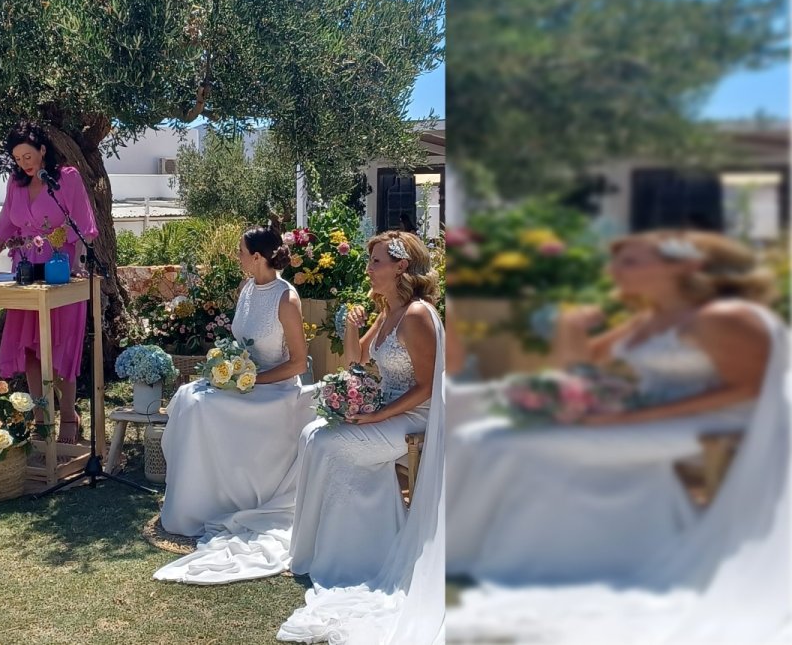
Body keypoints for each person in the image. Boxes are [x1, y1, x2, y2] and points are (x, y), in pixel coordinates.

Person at [445, 230, 791, 643]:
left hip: (721, 423)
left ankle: (556, 557)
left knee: (530, 446)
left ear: (685, 265)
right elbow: (583, 366)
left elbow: (751, 388)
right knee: (496, 436)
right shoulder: (651, 318)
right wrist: (570, 328)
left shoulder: (723, 317)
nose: (614, 271)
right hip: (650, 417)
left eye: (631, 261)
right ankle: (508, 551)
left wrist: (634, 416)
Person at [278, 230, 446, 644]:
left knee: (329, 442)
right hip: (385, 412)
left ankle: (361, 548)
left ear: (401, 266)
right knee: (312, 432)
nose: (369, 270)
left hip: (414, 419)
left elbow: (427, 388)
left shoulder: (418, 315)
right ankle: (319, 545)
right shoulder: (389, 310)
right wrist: (353, 328)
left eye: (375, 262)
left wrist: (375, 416)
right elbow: (358, 361)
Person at [153, 223, 317, 585]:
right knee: (188, 397)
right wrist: (228, 371)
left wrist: (252, 379)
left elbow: (298, 363)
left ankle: (216, 500)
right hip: (244, 383)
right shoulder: (247, 288)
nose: (237, 257)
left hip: (274, 391)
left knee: (202, 408)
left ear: (258, 257)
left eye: (241, 252)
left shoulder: (285, 299)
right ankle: (195, 498)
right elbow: (241, 344)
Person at [0, 121, 97, 444]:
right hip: (26, 273)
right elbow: (3, 230)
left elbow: (83, 224)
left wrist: (76, 266)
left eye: (27, 156)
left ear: (43, 150)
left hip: (61, 272)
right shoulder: (15, 186)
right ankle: (42, 418)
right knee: (31, 351)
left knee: (61, 348)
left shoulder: (67, 178)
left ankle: (69, 415)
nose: (23, 164)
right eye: (17, 159)